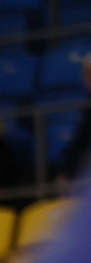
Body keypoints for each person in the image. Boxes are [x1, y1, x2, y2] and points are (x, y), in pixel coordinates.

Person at [57, 55, 91, 183]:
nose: (89, 79)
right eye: (87, 75)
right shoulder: (87, 106)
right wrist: (67, 171)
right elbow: (80, 140)